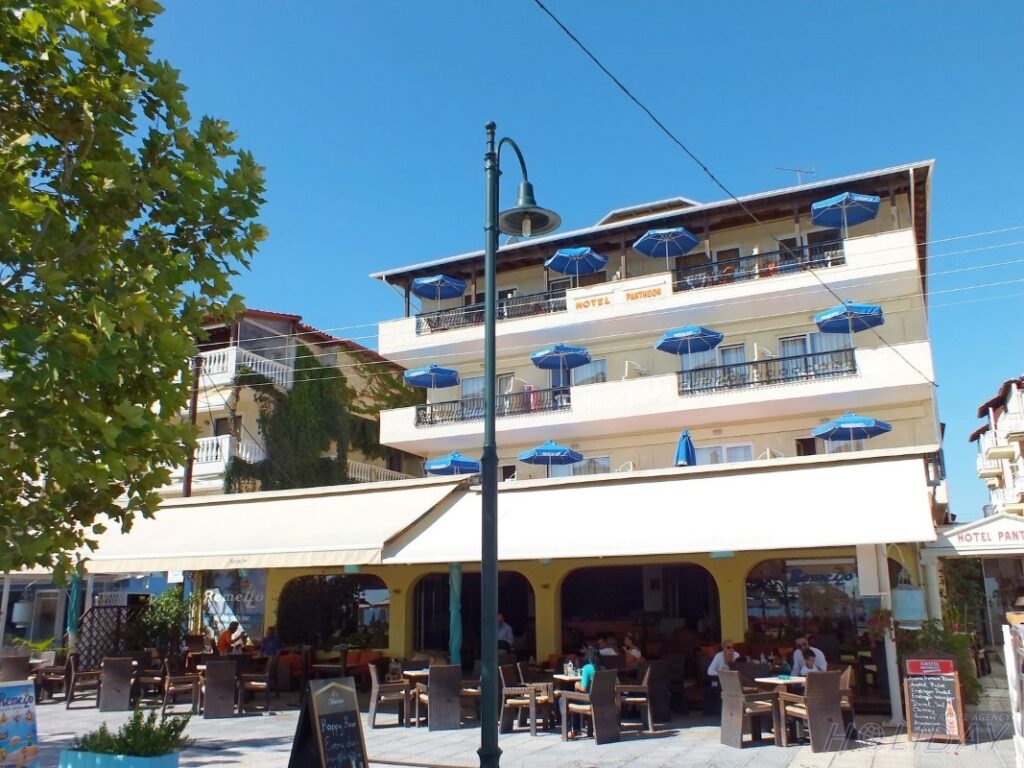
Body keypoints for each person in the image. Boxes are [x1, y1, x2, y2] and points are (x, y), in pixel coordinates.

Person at [567, 647, 601, 739]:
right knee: (574, 699)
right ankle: (577, 729)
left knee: (564, 700)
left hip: (590, 700)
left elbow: (583, 688)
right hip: (602, 700)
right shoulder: (604, 668)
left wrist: (577, 685)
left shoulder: (587, 668)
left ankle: (572, 730)